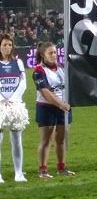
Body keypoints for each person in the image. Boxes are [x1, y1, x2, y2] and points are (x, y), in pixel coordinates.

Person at [31, 42, 73, 178]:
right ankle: (43, 170)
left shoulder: (61, 67)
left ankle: (62, 168)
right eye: (50, 53)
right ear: (43, 55)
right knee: (46, 140)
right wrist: (61, 104)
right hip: (46, 107)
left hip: (63, 107)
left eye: (55, 52)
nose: (54, 55)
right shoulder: (38, 71)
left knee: (61, 139)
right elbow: (45, 92)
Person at [0, 33, 29, 182]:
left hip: (15, 104)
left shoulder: (18, 63)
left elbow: (23, 83)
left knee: (17, 140)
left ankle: (19, 173)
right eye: (4, 44)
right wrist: (2, 99)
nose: (7, 47)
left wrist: (11, 99)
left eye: (9, 45)